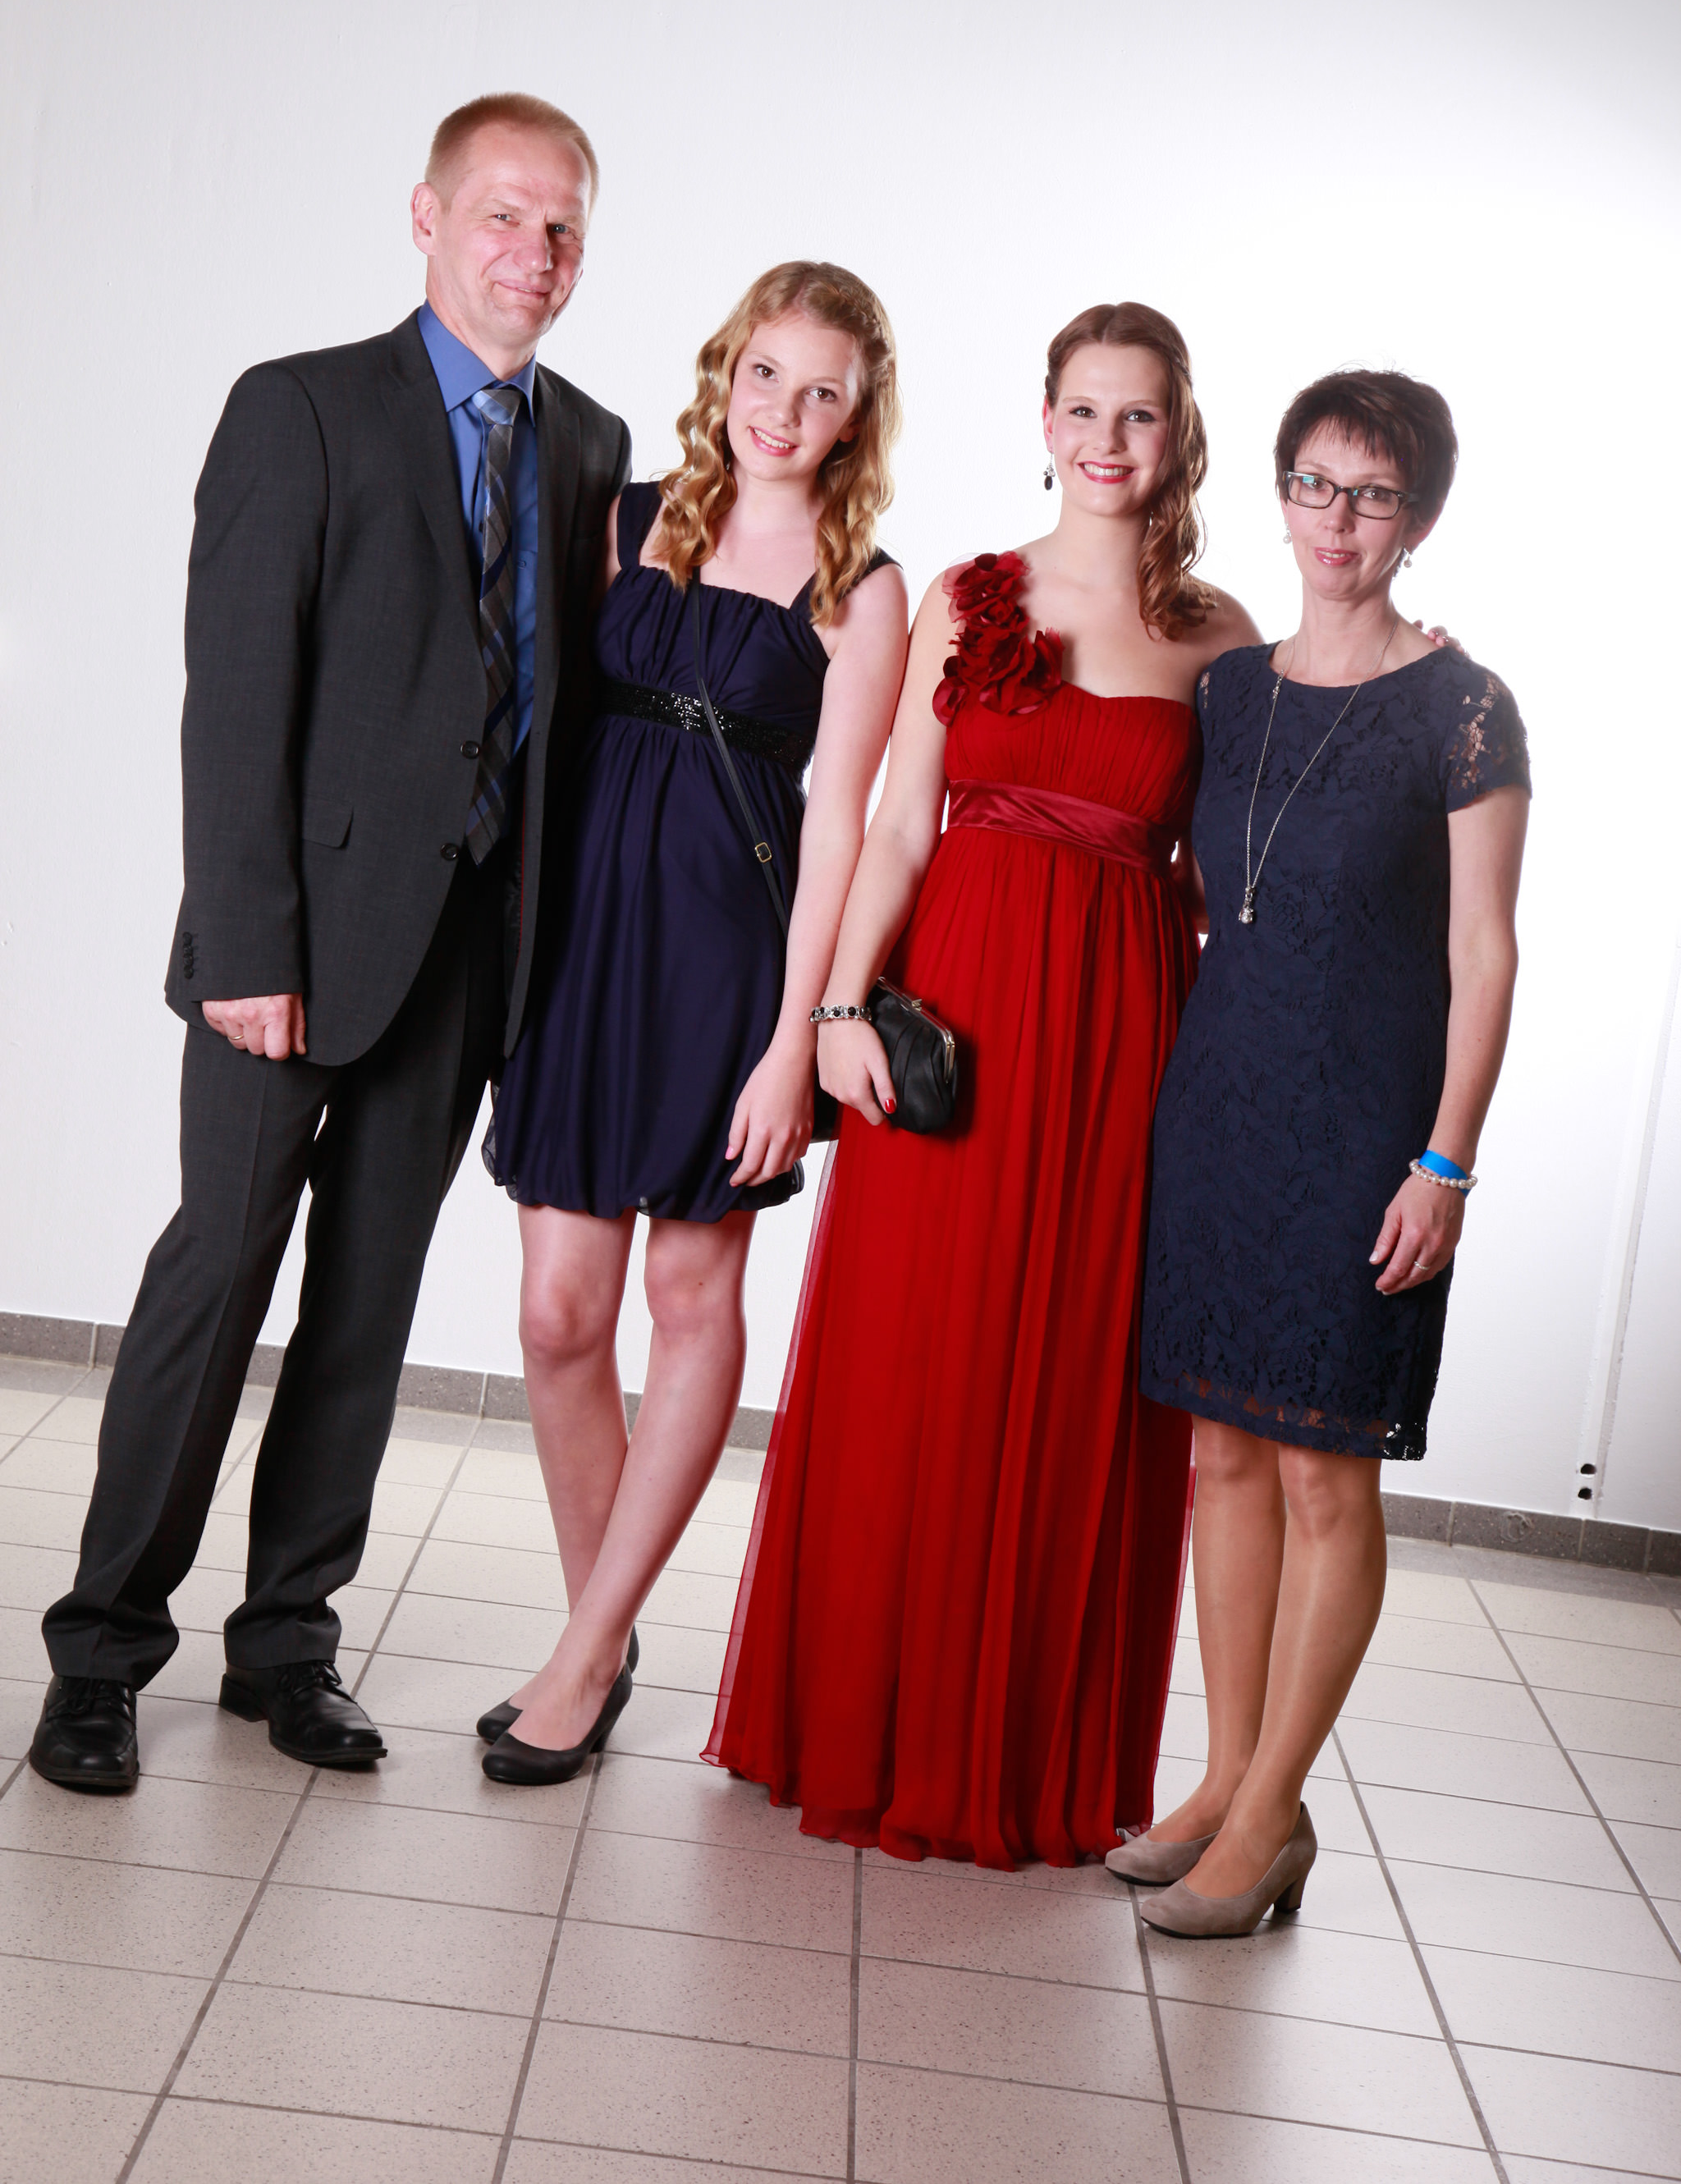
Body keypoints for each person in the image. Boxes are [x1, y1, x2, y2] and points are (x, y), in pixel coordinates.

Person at [30, 94, 630, 1793]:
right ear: (426, 218)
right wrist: (245, 944)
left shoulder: (590, 446)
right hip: (283, 955)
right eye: (504, 214)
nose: (534, 252)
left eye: (564, 227)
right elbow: (234, 694)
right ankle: (101, 1654)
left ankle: (287, 1642)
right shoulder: (298, 407)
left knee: (366, 1309)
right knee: (215, 1280)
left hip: (469, 956)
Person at [708, 302, 1260, 1869]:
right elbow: (896, 827)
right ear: (1044, 420)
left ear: (1178, 434)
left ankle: (1025, 1752)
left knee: (1078, 1376)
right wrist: (837, 1009)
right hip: (949, 1019)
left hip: (1123, 1041)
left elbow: (1232, 880)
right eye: (1083, 410)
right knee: (910, 1357)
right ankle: (855, 1725)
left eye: (1137, 415)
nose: (1106, 442)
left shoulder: (1224, 641)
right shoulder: (966, 594)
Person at [474, 262, 908, 1786]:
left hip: (731, 967)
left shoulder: (864, 586)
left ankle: (584, 1656)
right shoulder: (625, 516)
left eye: (823, 391)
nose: (785, 411)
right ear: (728, 369)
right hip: (583, 947)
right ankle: (601, 1628)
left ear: (858, 416)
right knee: (555, 1313)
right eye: (767, 374)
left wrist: (794, 1043)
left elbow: (841, 830)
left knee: (686, 1291)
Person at [1117, 369, 1529, 1935]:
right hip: (1221, 1104)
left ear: (1419, 518)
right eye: (1314, 485)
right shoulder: (1232, 690)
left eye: (1373, 495)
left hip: (1368, 1125)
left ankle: (1274, 1808)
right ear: (1280, 493)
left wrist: (1446, 1164)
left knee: (1320, 1466)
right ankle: (1227, 1783)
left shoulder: (1464, 706)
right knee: (1222, 1453)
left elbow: (1485, 955)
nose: (1338, 521)